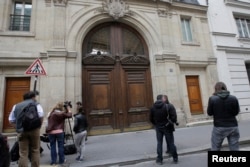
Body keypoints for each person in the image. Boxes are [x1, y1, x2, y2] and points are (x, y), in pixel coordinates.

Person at [8, 91, 44, 167]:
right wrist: (38, 126)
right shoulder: (36, 105)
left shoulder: (16, 106)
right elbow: (41, 115)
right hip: (34, 130)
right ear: (32, 97)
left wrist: (17, 127)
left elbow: (11, 120)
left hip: (22, 131)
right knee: (35, 150)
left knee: (23, 152)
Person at [207, 82, 240, 151]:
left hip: (219, 126)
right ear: (225, 88)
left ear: (216, 89)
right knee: (235, 148)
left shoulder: (212, 99)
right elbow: (236, 112)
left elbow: (209, 113)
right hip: (233, 125)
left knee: (215, 148)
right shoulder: (233, 98)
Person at [150, 95, 178, 165]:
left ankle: (159, 159)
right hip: (167, 127)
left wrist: (156, 124)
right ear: (162, 99)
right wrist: (169, 123)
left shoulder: (152, 107)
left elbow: (151, 119)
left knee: (159, 143)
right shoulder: (168, 106)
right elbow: (174, 117)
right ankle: (175, 158)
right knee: (171, 143)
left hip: (158, 128)